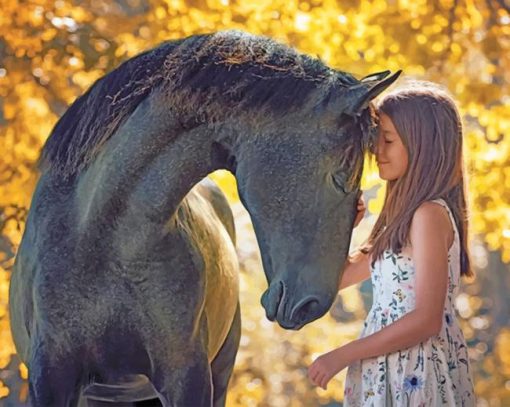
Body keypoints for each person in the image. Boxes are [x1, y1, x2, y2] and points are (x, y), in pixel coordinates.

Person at [307, 81, 476, 406]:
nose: (376, 151)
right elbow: (336, 279)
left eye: (387, 140)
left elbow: (427, 319)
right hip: (385, 371)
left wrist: (341, 356)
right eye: (376, 140)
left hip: (416, 374)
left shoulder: (429, 215)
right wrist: (344, 226)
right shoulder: (399, 222)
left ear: (422, 146)